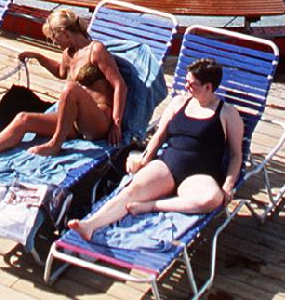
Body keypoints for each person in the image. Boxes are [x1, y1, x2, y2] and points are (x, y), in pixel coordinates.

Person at [66, 57, 245, 243]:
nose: (186, 88)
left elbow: (235, 155)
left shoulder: (227, 114)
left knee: (211, 199)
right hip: (167, 166)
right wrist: (145, 159)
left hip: (199, 175)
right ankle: (90, 225)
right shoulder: (179, 103)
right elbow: (159, 135)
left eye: (192, 85)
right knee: (131, 191)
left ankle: (151, 206)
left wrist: (227, 186)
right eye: (186, 82)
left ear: (208, 87)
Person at [0, 7, 127, 166]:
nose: (54, 42)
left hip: (98, 121)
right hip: (74, 120)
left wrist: (116, 123)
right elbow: (61, 72)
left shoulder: (96, 50)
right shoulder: (68, 53)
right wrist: (39, 57)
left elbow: (119, 85)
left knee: (70, 88)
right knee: (23, 118)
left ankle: (55, 144)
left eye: (54, 38)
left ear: (65, 33)